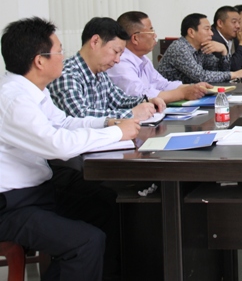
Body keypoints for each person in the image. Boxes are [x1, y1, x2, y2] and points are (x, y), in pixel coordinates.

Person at [0, 17, 140, 281]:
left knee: (106, 203)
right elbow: (58, 144)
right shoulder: (14, 100)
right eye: (59, 51)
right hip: (11, 205)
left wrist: (107, 123)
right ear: (40, 61)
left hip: (38, 191)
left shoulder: (34, 91)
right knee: (85, 242)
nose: (64, 57)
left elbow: (63, 122)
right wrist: (116, 133)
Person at [48, 17, 165, 120]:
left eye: (120, 54)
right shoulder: (67, 74)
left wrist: (146, 101)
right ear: (95, 41)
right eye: (116, 52)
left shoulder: (101, 73)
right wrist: (131, 114)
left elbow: (119, 100)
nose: (117, 60)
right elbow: (80, 115)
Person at [108, 11, 213, 103]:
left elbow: (162, 84)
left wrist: (193, 87)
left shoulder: (143, 59)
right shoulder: (120, 61)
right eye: (151, 31)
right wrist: (182, 93)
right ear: (135, 38)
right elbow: (139, 95)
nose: (155, 35)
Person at [158, 13, 242, 83]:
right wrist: (234, 74)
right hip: (168, 98)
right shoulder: (179, 48)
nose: (211, 33)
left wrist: (224, 51)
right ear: (191, 32)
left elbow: (219, 70)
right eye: (207, 29)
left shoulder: (202, 47)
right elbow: (200, 76)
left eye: (210, 29)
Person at [212, 5, 242, 70]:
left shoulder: (235, 37)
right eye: (234, 22)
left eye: (239, 22)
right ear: (220, 23)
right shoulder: (212, 38)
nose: (238, 26)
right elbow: (231, 68)